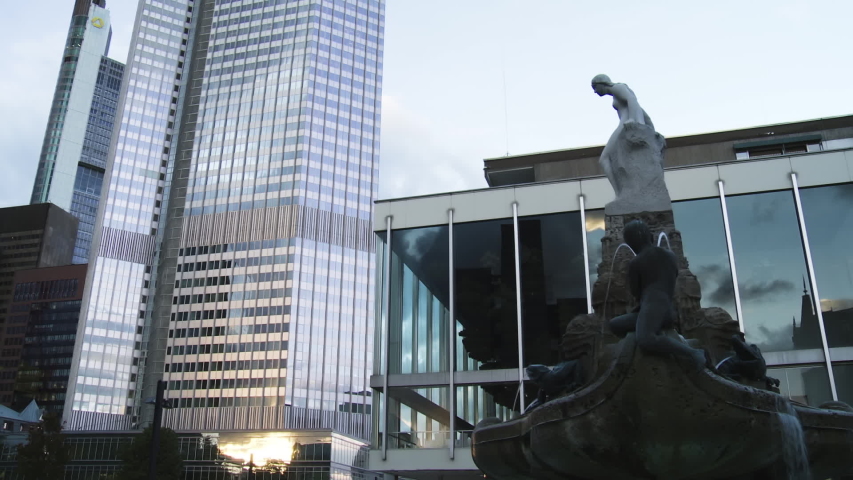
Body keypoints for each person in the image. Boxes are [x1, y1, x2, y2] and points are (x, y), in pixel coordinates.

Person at [609, 220, 706, 370]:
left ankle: (693, 352)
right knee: (615, 323)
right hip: (666, 309)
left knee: (646, 339)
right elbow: (673, 277)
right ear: (649, 235)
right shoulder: (670, 255)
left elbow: (636, 292)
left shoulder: (636, 261)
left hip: (652, 306)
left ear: (631, 242)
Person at [591, 74, 657, 196]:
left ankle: (619, 194)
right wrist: (650, 128)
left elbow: (632, 100)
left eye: (594, 87)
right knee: (614, 159)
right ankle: (621, 193)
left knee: (604, 158)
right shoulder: (616, 92)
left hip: (626, 126)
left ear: (601, 83)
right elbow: (643, 112)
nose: (595, 91)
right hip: (627, 125)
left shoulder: (618, 87)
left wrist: (633, 120)